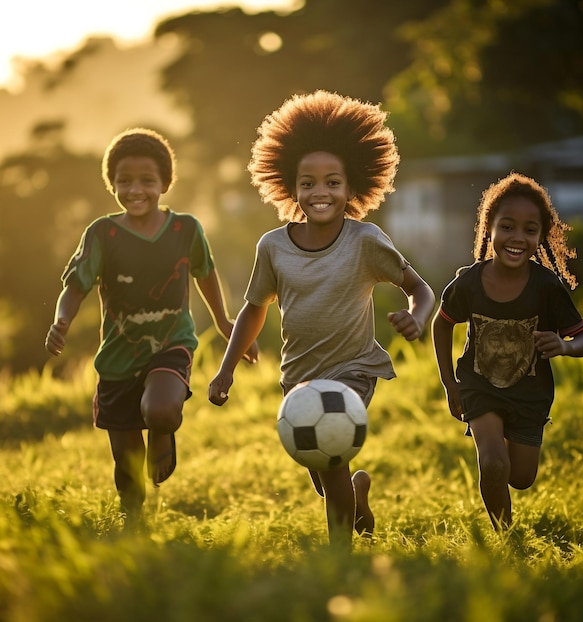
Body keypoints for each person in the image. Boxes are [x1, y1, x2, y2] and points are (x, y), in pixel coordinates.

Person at [208, 90, 436, 548]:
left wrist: (418, 317)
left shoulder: (366, 241)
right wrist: (226, 368)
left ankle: (338, 558)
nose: (320, 192)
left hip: (354, 369)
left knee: (330, 456)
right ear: (290, 188)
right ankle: (356, 497)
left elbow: (420, 288)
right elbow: (255, 308)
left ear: (353, 188)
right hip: (298, 376)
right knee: (324, 467)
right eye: (308, 182)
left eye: (333, 182)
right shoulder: (273, 246)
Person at [45, 128, 258, 525]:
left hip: (170, 344)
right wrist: (62, 320)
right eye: (124, 181)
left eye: (146, 180)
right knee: (127, 467)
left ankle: (163, 428)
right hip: (117, 360)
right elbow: (75, 286)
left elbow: (205, 274)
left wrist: (223, 321)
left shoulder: (186, 230)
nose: (135, 189)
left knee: (160, 409)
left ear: (164, 182)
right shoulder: (103, 234)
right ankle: (134, 525)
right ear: (112, 184)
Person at [431, 172, 583, 530]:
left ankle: (504, 447)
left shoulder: (547, 288)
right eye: (507, 226)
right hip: (479, 386)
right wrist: (450, 383)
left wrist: (565, 348)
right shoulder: (469, 284)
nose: (517, 238)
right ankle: (506, 538)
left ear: (541, 235)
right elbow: (441, 324)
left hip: (530, 396)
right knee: (493, 464)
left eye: (529, 229)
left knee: (520, 477)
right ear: (489, 227)